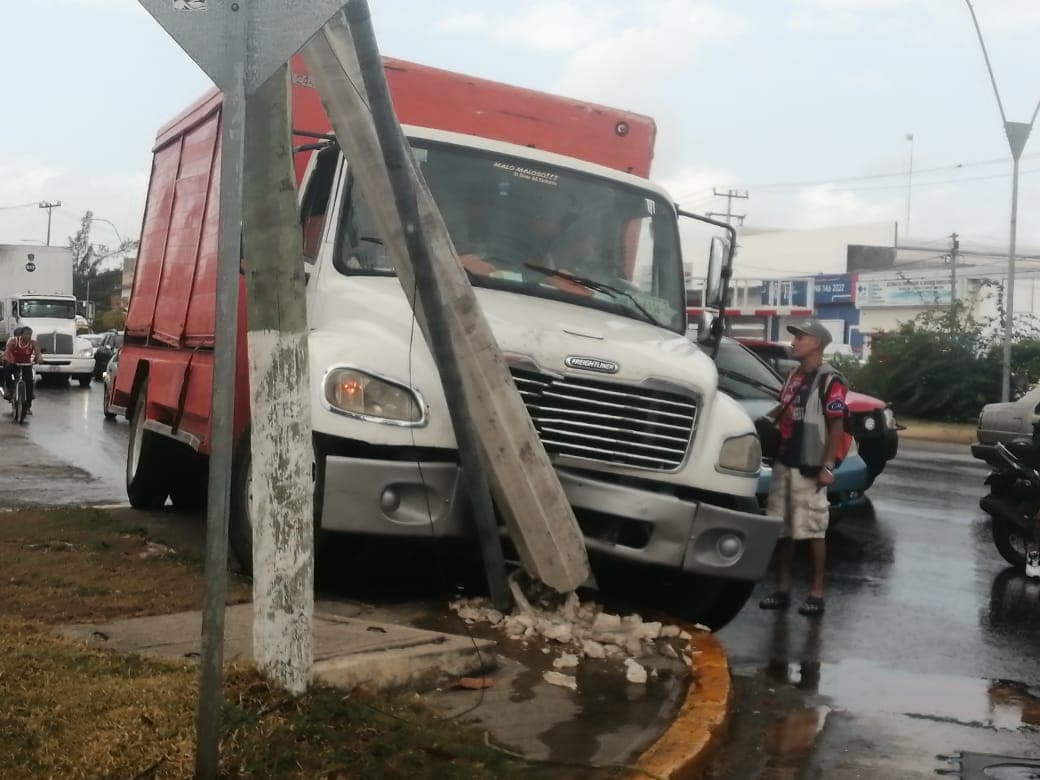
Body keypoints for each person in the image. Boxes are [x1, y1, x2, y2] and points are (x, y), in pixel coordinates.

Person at [759, 319, 849, 617]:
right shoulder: (792, 375)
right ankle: (782, 590)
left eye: (801, 336)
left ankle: (816, 593)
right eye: (795, 336)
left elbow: (836, 426)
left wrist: (827, 466)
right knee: (782, 529)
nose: (794, 341)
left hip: (809, 466)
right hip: (784, 462)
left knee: (813, 531)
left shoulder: (830, 380)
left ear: (817, 344)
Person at [4, 326, 41, 413]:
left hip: (26, 364)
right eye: (26, 334)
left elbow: (38, 352)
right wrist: (8, 360)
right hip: (14, 363)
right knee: (6, 371)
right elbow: (7, 352)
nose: (28, 336)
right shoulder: (13, 341)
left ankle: (28, 406)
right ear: (21, 335)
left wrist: (39, 358)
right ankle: (10, 390)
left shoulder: (33, 343)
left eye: (30, 334)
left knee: (29, 383)